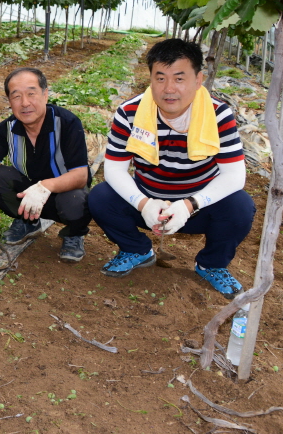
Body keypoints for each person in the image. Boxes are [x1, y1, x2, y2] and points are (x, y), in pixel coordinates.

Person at [88, 39, 254, 298]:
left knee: (240, 207)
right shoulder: (130, 112)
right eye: (160, 78)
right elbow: (114, 170)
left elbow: (234, 175)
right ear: (151, 78)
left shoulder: (218, 114)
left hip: (200, 205)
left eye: (179, 78)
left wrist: (189, 205)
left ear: (199, 79)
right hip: (149, 198)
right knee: (100, 197)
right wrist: (144, 204)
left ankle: (211, 264)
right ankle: (136, 250)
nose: (169, 89)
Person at [0, 67, 92, 262]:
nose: (25, 103)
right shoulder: (6, 129)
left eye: (31, 93)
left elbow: (80, 175)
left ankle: (73, 233)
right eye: (16, 96)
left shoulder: (67, 123)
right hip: (26, 196)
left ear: (45, 94)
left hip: (62, 193)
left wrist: (45, 186)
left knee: (77, 200)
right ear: (9, 101)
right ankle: (28, 221)